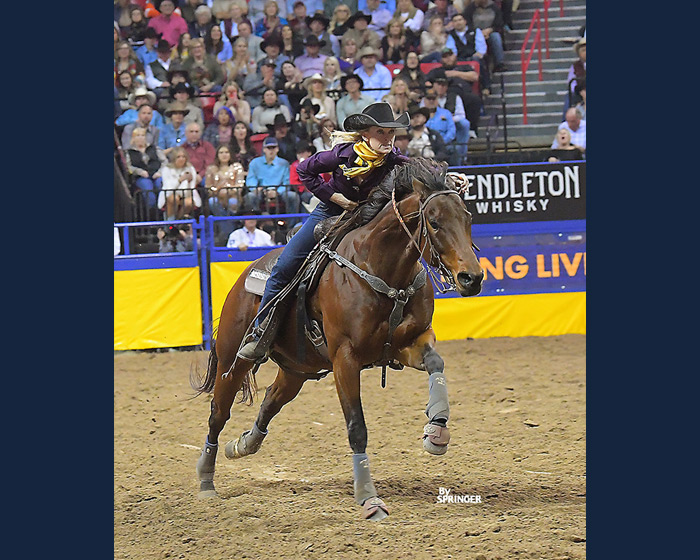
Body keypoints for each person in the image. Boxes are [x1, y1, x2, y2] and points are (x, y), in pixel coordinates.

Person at [236, 101, 410, 361]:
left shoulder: (394, 159)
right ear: (365, 134)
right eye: (380, 132)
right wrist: (336, 197)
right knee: (285, 266)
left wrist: (451, 178)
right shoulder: (342, 155)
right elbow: (304, 170)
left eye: (391, 133)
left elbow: (421, 169)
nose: (387, 139)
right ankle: (261, 332)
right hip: (330, 212)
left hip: (368, 219)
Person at [244, 136, 298, 214]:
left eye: (274, 147)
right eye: (269, 148)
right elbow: (251, 179)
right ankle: (256, 222)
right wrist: (257, 189)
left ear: (277, 149)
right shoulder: (255, 163)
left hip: (279, 191)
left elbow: (287, 181)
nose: (271, 150)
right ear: (264, 149)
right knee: (250, 196)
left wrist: (277, 191)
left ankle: (292, 224)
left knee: (293, 196)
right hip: (261, 190)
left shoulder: (284, 163)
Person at [447, 12, 490, 94]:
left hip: (474, 56)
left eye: (460, 20)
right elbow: (452, 50)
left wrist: (479, 53)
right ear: (452, 23)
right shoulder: (451, 35)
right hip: (460, 58)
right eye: (455, 21)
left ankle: (485, 86)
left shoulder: (475, 30)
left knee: (478, 60)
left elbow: (481, 47)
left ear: (465, 21)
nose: (458, 22)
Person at [126, 127, 165, 212]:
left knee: (161, 185)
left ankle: (163, 212)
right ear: (133, 138)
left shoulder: (154, 148)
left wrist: (160, 172)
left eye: (142, 135)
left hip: (156, 174)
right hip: (141, 177)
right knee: (148, 188)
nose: (140, 138)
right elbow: (128, 167)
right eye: (138, 135)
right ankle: (152, 214)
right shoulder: (129, 152)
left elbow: (165, 162)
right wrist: (139, 171)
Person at [159, 146, 202, 219]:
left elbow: (191, 190)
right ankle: (170, 222)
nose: (181, 159)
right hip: (169, 195)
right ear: (173, 158)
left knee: (189, 202)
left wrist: (189, 182)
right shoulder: (166, 169)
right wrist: (179, 180)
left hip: (186, 195)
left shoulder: (190, 168)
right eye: (178, 157)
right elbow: (169, 190)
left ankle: (178, 223)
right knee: (174, 198)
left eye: (183, 157)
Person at [464, 0, 506, 72]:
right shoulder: (469, 9)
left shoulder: (494, 7)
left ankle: (499, 63)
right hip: (475, 33)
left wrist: (490, 30)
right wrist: (479, 33)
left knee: (496, 37)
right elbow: (468, 24)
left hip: (490, 32)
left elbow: (499, 23)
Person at [206, 144, 246, 215]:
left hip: (233, 196)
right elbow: (208, 187)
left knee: (232, 202)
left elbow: (239, 186)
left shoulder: (237, 167)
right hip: (217, 197)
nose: (224, 155)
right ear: (217, 155)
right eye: (221, 153)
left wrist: (226, 191)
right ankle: (227, 223)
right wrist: (219, 192)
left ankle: (226, 222)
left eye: (226, 152)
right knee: (212, 201)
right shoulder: (211, 169)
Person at [182, 121, 217, 185]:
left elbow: (210, 164)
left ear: (200, 133)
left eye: (196, 132)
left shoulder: (208, 146)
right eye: (191, 131)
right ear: (186, 133)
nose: (194, 134)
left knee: (208, 181)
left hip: (204, 175)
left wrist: (200, 175)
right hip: (188, 175)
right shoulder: (182, 148)